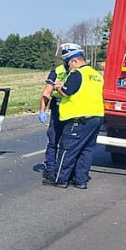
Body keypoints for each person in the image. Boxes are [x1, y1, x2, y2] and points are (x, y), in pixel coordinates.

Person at [44, 46, 104, 189]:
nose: (68, 67)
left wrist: (59, 86)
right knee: (86, 151)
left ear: (75, 61)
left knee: (67, 150)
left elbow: (66, 92)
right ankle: (81, 181)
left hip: (78, 118)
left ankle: (61, 180)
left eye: (69, 63)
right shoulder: (96, 75)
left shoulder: (78, 73)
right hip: (96, 117)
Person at [37, 43, 79, 181]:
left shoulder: (80, 71)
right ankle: (50, 169)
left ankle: (67, 171)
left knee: (69, 143)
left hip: (74, 110)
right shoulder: (57, 70)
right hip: (58, 109)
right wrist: (42, 110)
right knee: (53, 139)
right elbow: (47, 92)